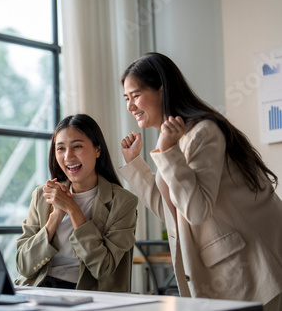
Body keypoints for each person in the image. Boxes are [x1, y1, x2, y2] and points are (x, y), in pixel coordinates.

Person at [118, 52, 282, 310]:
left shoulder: (203, 132)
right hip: (225, 276)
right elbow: (171, 212)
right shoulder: (175, 141)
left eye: (136, 95)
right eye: (126, 98)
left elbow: (196, 211)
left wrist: (166, 151)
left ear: (162, 89)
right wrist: (135, 164)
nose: (130, 106)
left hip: (251, 272)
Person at [15, 114, 138, 292]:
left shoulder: (123, 202)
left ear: (97, 150)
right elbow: (23, 265)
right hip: (39, 291)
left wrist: (73, 210)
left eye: (77, 146)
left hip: (88, 297)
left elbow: (103, 268)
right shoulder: (42, 196)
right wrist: (55, 217)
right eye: (61, 149)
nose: (68, 156)